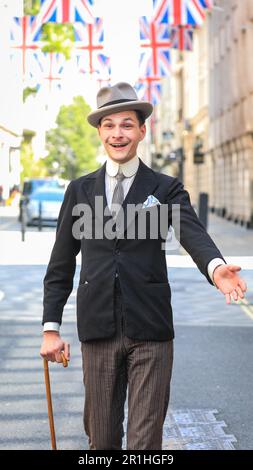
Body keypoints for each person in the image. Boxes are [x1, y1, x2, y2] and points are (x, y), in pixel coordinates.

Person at [40, 82, 247, 450]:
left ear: (141, 130)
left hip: (150, 328)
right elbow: (60, 264)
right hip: (97, 328)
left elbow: (191, 233)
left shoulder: (165, 188)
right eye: (109, 125)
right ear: (100, 131)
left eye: (126, 124)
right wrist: (50, 329)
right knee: (101, 440)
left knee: (144, 443)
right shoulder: (80, 191)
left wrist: (216, 268)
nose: (117, 133)